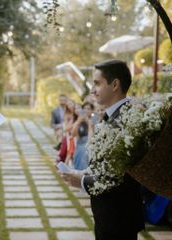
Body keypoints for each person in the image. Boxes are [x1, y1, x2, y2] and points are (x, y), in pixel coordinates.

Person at [60, 59, 144, 240]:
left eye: (97, 83)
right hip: (108, 215)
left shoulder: (128, 118)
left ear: (115, 84)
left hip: (120, 216)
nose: (92, 90)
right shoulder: (113, 114)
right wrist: (83, 172)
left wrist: (82, 182)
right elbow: (107, 162)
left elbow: (119, 177)